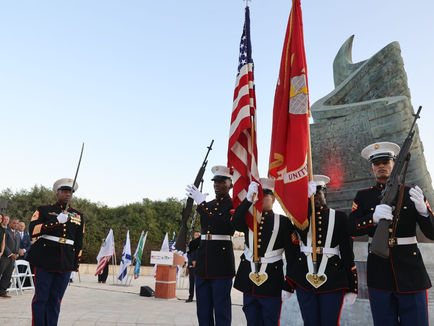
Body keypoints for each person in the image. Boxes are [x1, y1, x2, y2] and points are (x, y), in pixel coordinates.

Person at [348, 142, 434, 326]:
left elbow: (432, 233)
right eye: (376, 163)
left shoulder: (412, 193)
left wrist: (424, 213)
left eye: (385, 161)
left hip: (412, 274)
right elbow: (351, 228)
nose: (381, 166)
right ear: (372, 169)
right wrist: (371, 218)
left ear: (394, 164)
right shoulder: (363, 197)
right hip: (380, 273)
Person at [285, 175, 358, 326]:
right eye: (311, 193)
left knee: (329, 322)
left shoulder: (339, 217)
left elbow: (347, 252)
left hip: (332, 279)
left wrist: (353, 286)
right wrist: (305, 203)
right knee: (310, 322)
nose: (315, 196)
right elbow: (301, 230)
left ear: (325, 194)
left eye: (318, 192)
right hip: (305, 279)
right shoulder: (301, 218)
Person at [232, 178, 295, 326]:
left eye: (263, 196)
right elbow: (235, 222)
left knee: (270, 321)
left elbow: (292, 255)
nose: (259, 199)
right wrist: (247, 201)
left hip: (272, 282)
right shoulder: (249, 218)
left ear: (272, 198)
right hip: (249, 280)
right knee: (251, 320)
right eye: (257, 196)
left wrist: (289, 284)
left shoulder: (283, 222)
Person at [27, 178, 85, 326]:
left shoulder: (78, 215)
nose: (68, 195)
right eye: (64, 191)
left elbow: (79, 241)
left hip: (65, 261)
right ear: (57, 193)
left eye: (70, 192)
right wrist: (56, 222)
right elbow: (33, 231)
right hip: (45, 258)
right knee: (41, 298)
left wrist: (75, 262)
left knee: (56, 299)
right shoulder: (44, 210)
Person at [186, 165, 235, 326]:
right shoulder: (209, 205)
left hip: (221, 264)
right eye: (215, 181)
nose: (217, 184)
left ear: (230, 184)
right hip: (203, 263)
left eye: (222, 181)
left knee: (221, 310)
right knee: (203, 310)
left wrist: (202, 205)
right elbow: (207, 232)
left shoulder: (233, 205)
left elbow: (222, 226)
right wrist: (189, 246)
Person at [0, 217, 21, 298]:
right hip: (5, 257)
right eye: (14, 223)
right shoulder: (5, 231)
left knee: (7, 275)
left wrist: (17, 253)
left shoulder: (17, 233)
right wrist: (10, 254)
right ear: (10, 223)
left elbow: (18, 245)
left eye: (17, 223)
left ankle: (2, 292)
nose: (16, 225)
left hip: (13, 258)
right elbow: (3, 244)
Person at [186, 231, 201, 303]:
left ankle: (199, 298)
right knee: (191, 282)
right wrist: (192, 261)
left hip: (199, 267)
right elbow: (188, 254)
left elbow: (202, 254)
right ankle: (190, 297)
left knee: (198, 284)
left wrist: (196, 261)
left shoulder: (202, 244)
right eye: (196, 235)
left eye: (198, 235)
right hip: (191, 266)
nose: (197, 236)